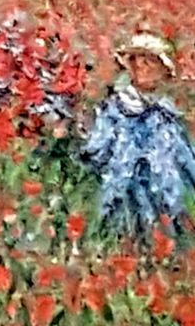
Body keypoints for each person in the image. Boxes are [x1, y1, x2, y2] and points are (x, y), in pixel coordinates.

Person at [81, 33, 195, 238]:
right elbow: (96, 152)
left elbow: (185, 158)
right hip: (124, 194)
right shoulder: (114, 109)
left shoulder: (166, 115)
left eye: (150, 60)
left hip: (165, 197)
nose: (142, 66)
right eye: (137, 59)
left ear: (163, 70)